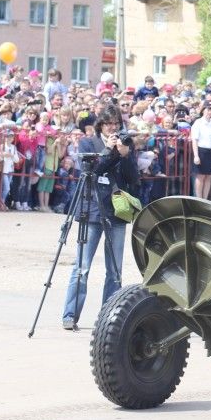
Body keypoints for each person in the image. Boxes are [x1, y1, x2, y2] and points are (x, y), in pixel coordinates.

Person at [61, 112, 139, 330]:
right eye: (107, 124)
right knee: (82, 267)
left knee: (114, 270)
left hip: (117, 212)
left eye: (115, 124)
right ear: (100, 125)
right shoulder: (88, 142)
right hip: (92, 209)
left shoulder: (125, 144)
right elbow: (92, 171)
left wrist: (125, 155)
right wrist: (109, 152)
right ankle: (70, 315)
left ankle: (110, 318)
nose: (112, 128)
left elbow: (134, 179)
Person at [191, 104, 211, 201]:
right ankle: (199, 200)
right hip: (201, 151)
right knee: (200, 176)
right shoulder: (198, 123)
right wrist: (196, 156)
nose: (210, 112)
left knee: (209, 177)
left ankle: (205, 199)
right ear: (203, 110)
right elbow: (195, 140)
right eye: (208, 110)